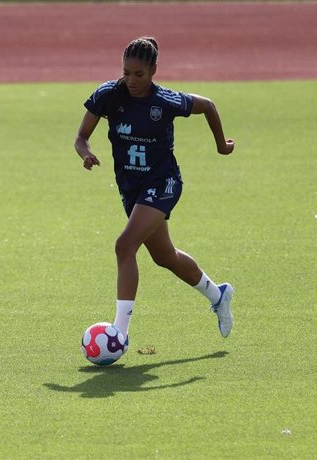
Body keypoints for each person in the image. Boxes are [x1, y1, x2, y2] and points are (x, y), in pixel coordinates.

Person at [74, 36, 235, 346]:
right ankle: (219, 294)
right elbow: (81, 137)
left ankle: (119, 334)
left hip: (163, 183)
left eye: (139, 74)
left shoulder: (166, 101)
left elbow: (208, 106)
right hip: (131, 189)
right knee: (165, 257)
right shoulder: (108, 95)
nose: (131, 80)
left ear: (153, 71)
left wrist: (221, 145)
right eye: (126, 72)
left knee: (124, 245)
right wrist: (85, 153)